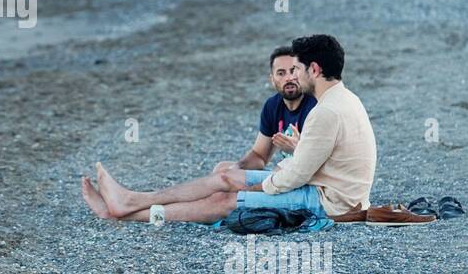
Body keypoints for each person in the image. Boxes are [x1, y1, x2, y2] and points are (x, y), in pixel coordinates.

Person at [81, 34, 431, 226]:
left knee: (226, 199)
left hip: (330, 204)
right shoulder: (343, 100)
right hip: (322, 188)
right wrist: (251, 174)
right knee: (226, 177)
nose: (295, 76)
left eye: (299, 69)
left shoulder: (327, 112)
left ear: (315, 68)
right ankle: (130, 200)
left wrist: (262, 183)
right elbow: (298, 167)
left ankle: (130, 213)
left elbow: (294, 176)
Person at [210, 47, 318, 176]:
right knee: (222, 169)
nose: (289, 78)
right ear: (272, 80)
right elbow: (260, 156)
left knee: (231, 184)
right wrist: (237, 167)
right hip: (285, 175)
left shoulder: (315, 107)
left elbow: (321, 162)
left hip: (309, 181)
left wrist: (297, 149)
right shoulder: (272, 106)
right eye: (281, 73)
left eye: (293, 71)